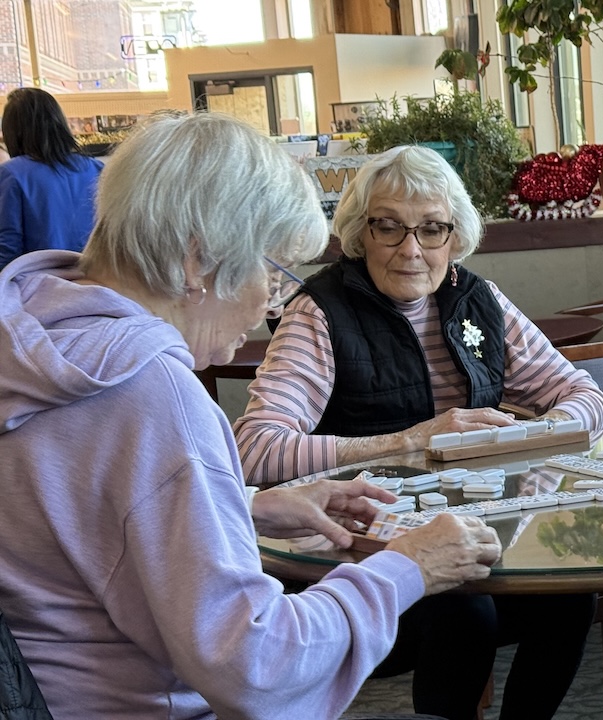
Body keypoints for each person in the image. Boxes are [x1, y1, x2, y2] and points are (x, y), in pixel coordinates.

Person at [0, 112, 503, 718]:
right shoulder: (146, 392)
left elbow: (76, 522)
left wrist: (242, 506)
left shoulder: (38, 341)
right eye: (270, 273)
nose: (271, 302)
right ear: (198, 263)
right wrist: (409, 568)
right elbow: (258, 668)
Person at [233, 145, 603, 720]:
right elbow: (256, 451)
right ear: (361, 234)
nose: (412, 250)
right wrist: (410, 440)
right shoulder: (321, 312)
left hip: (477, 529)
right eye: (390, 227)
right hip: (358, 553)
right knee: (464, 613)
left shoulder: (477, 300)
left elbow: (588, 398)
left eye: (432, 229)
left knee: (568, 597)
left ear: (454, 238)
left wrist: (534, 432)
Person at [0, 88, 103, 270]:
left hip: (41, 286)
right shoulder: (96, 168)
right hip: (94, 280)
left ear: (13, 131)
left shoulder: (12, 173)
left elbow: (8, 247)